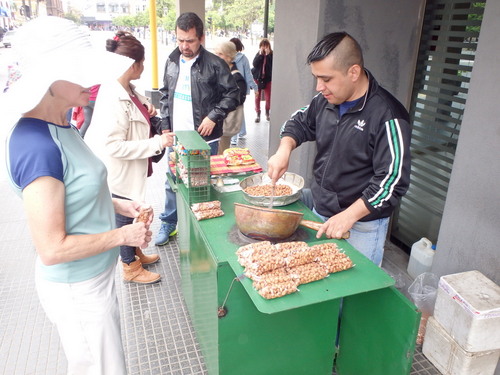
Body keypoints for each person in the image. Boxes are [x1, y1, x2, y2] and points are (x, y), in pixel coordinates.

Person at [4, 16, 152, 374]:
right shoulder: (36, 146)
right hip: (77, 289)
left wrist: (119, 203)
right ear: (50, 81)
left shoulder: (61, 124)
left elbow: (77, 191)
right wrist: (123, 235)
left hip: (93, 278)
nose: (92, 79)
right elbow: (52, 249)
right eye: (79, 70)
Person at [267, 32, 412, 266]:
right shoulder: (325, 100)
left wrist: (348, 216)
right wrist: (284, 149)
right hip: (321, 209)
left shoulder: (388, 115)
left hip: (361, 225)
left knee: (354, 292)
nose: (319, 87)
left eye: (326, 78)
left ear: (353, 72)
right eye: (316, 78)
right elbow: (298, 122)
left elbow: (392, 180)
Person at [85, 31, 175, 284]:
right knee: (125, 217)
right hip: (119, 173)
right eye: (141, 62)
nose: (143, 67)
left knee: (131, 213)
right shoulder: (113, 97)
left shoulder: (127, 89)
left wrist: (148, 110)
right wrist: (157, 142)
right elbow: (113, 146)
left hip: (132, 169)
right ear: (132, 64)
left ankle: (135, 252)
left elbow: (134, 118)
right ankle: (130, 267)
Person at [155, 12, 239, 246]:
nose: (184, 46)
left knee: (201, 183)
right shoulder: (172, 60)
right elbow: (164, 94)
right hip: (176, 136)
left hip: (204, 138)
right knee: (172, 180)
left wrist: (214, 116)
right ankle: (169, 222)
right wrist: (165, 127)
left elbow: (233, 93)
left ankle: (200, 230)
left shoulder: (215, 64)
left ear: (201, 38)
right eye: (180, 40)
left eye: (190, 40)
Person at [214, 41, 247, 153]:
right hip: (216, 121)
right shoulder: (221, 72)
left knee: (220, 154)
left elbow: (239, 99)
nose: (216, 57)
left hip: (224, 122)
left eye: (220, 54)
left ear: (229, 56)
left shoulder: (236, 77)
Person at [229, 37, 257, 145]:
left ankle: (234, 137)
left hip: (230, 88)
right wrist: (254, 87)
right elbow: (248, 75)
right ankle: (241, 132)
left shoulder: (228, 58)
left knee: (233, 112)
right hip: (241, 88)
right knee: (239, 110)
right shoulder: (243, 58)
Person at [252, 38, 273, 123]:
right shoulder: (258, 54)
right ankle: (258, 113)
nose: (264, 47)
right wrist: (260, 55)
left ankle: (267, 112)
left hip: (268, 79)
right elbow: (254, 64)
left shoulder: (271, 55)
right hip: (258, 78)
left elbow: (272, 66)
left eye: (266, 45)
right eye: (262, 46)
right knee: (257, 97)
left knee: (268, 98)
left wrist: (268, 56)